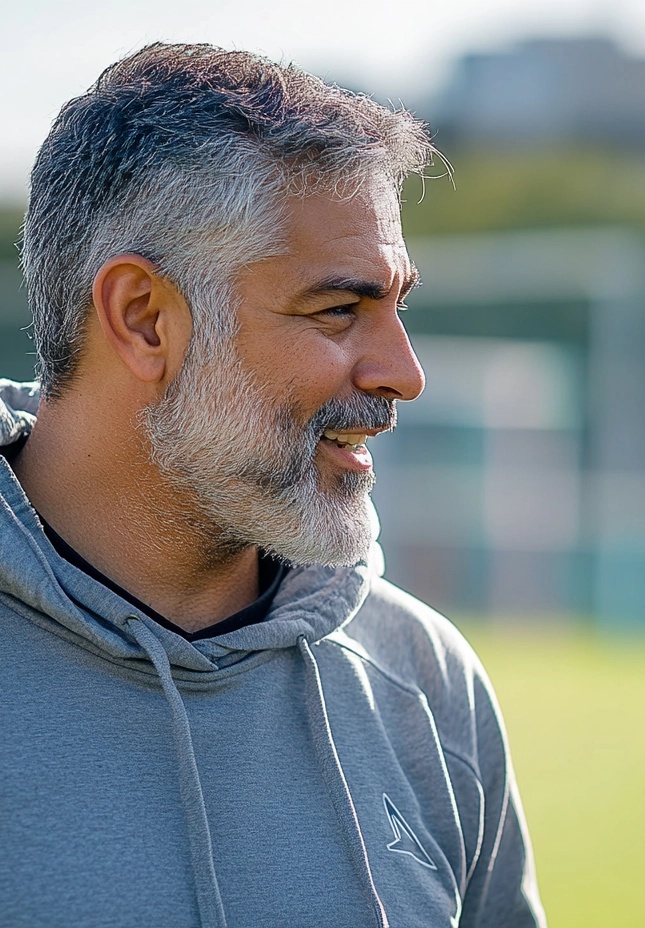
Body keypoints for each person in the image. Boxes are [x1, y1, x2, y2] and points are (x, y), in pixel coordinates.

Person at [0, 44, 545, 928]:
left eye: (397, 306)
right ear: (145, 319)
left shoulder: (425, 681)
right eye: (339, 310)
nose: (404, 373)